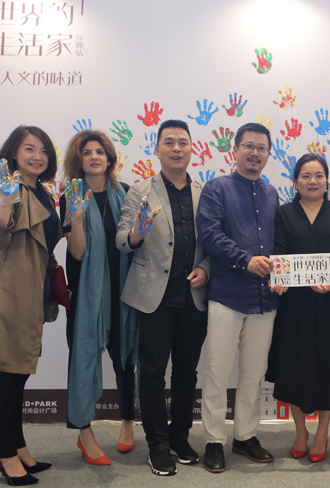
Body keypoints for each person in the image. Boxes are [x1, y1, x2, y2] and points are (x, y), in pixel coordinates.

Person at [0, 126, 62, 485]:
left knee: (18, 372)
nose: (37, 156)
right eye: (29, 149)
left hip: (34, 289)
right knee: (7, 373)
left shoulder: (43, 192)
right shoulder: (4, 186)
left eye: (43, 150)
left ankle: (18, 446)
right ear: (13, 153)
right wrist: (5, 203)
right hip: (11, 289)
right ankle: (3, 454)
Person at [116, 119, 210, 476]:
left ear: (191, 149)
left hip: (194, 298)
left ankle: (179, 437)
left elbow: (214, 242)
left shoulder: (205, 192)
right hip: (153, 297)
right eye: (168, 142)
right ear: (156, 149)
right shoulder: (140, 191)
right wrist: (136, 234)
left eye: (182, 142)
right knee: (152, 373)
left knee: (186, 372)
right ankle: (156, 444)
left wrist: (207, 270)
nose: (176, 148)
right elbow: (122, 240)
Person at [196, 122, 279, 473]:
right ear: (235, 150)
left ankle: (245, 436)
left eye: (262, 148)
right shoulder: (217, 188)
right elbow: (210, 234)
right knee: (217, 371)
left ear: (269, 153)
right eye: (248, 146)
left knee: (253, 373)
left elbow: (279, 243)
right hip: (226, 296)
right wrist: (246, 260)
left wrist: (282, 274)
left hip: (265, 299)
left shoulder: (272, 193)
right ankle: (214, 440)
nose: (255, 153)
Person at [265, 154, 330, 463]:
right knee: (294, 364)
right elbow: (279, 251)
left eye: (319, 175)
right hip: (294, 304)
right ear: (295, 181)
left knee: (328, 365)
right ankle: (301, 430)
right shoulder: (283, 213)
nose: (313, 181)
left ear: (327, 180)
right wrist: (279, 277)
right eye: (305, 175)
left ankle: (322, 432)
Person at [60, 130, 138, 466]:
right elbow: (77, 253)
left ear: (109, 158)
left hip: (123, 292)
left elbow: (134, 243)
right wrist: (76, 220)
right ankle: (84, 432)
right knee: (83, 359)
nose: (94, 157)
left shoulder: (126, 193)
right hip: (86, 295)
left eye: (100, 151)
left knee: (125, 359)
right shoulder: (70, 196)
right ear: (78, 160)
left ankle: (127, 422)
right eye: (87, 152)